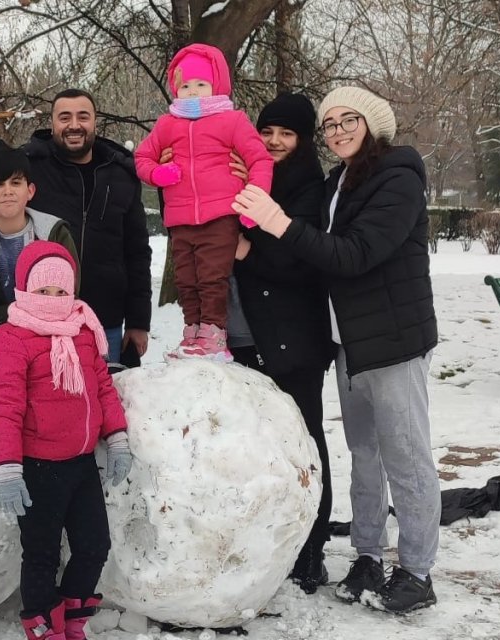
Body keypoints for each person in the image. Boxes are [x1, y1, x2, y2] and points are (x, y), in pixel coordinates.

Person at [232, 86, 440, 614]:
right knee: (365, 457)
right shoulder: (339, 181)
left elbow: (355, 254)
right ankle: (367, 556)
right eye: (329, 124)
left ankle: (417, 570)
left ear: (373, 123)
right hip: (349, 342)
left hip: (391, 341)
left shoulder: (398, 174)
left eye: (348, 120)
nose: (339, 130)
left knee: (406, 458)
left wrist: (277, 224)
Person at [0, 241, 131, 640]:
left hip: (81, 465)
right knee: (42, 555)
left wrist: (117, 439)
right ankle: (43, 628)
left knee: (94, 545)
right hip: (37, 468)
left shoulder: (83, 329)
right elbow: (5, 406)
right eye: (43, 292)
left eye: (61, 292)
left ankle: (72, 620)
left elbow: (102, 387)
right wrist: (8, 469)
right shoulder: (10, 339)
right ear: (24, 289)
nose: (53, 300)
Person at [229, 93, 334, 594]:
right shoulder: (247, 174)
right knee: (264, 445)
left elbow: (303, 261)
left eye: (286, 134)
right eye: (267, 131)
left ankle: (312, 548)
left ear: (303, 140)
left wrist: (249, 251)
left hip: (294, 338)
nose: (274, 141)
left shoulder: (309, 188)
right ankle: (275, 540)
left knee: (306, 441)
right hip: (248, 333)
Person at [0, 90, 152, 367]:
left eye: (82, 117)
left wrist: (138, 321)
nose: (74, 125)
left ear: (94, 122)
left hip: (106, 321)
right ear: (52, 123)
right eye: (65, 117)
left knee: (106, 400)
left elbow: (137, 252)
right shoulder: (33, 165)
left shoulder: (121, 174)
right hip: (46, 322)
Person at [133, 44, 273, 362]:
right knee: (186, 279)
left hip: (220, 216)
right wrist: (159, 173)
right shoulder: (168, 124)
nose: (193, 92)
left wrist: (254, 207)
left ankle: (213, 336)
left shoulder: (232, 121)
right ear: (175, 89)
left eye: (200, 84)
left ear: (216, 85)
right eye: (185, 86)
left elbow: (260, 161)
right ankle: (192, 332)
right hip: (181, 219)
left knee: (212, 277)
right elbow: (141, 157)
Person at [0, 146, 78, 327]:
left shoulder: (54, 234)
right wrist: (16, 313)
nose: (8, 191)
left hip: (49, 335)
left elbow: (70, 295)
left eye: (16, 183)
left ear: (30, 190)